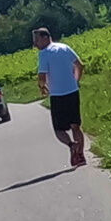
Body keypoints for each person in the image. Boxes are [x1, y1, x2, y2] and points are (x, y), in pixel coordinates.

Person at [36, 26, 87, 168]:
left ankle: (71, 145)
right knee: (75, 125)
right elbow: (80, 65)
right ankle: (81, 155)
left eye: (37, 40)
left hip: (58, 95)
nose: (36, 44)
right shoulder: (65, 47)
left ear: (46, 38)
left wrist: (42, 87)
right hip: (72, 91)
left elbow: (41, 76)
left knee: (59, 129)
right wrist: (76, 80)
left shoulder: (44, 54)